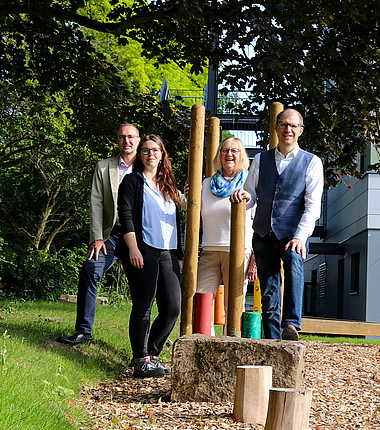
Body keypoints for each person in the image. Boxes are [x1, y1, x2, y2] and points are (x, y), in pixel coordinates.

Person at [231, 108, 323, 340]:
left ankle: (291, 324)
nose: (287, 130)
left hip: (292, 233)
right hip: (263, 233)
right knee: (269, 289)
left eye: (293, 126)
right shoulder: (261, 159)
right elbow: (252, 195)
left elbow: (312, 206)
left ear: (300, 131)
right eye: (283, 125)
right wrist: (243, 196)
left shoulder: (312, 162)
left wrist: (300, 237)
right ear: (276, 128)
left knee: (294, 261)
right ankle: (272, 338)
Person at [58, 123, 140, 346]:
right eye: (122, 137)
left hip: (140, 238)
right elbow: (96, 202)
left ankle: (143, 347)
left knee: (143, 286)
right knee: (89, 270)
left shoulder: (147, 167)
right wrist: (97, 237)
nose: (127, 141)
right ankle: (83, 331)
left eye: (131, 137)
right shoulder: (103, 167)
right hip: (110, 235)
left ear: (138, 140)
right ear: (117, 141)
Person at [118, 134, 186, 378]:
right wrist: (133, 248)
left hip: (167, 251)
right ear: (140, 154)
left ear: (162, 154)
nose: (150, 155)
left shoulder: (168, 185)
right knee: (143, 305)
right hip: (143, 249)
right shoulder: (132, 181)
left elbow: (180, 213)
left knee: (172, 306)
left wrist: (179, 254)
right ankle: (139, 359)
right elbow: (125, 216)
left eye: (155, 150)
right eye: (145, 150)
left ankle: (153, 354)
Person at [197, 137, 257, 335]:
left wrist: (255, 258)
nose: (229, 154)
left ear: (241, 156)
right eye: (224, 150)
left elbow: (259, 223)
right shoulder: (205, 185)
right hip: (209, 249)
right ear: (219, 155)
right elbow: (196, 217)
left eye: (234, 151)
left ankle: (232, 342)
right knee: (202, 298)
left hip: (239, 252)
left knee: (234, 303)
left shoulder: (250, 186)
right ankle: (206, 343)